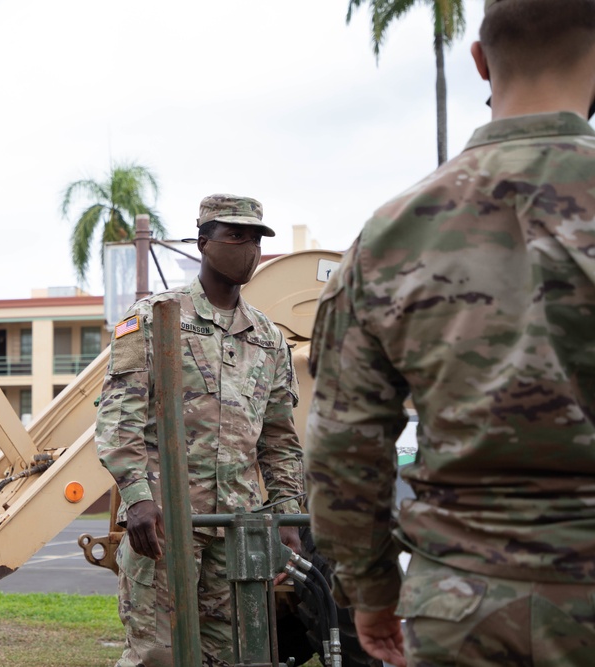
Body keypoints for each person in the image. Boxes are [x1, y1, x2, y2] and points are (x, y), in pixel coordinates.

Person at [305, 1, 595, 665]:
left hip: (461, 610)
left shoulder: (392, 233)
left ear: (481, 61)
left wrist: (372, 589)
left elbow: (342, 444)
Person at [96, 194, 304, 667]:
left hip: (239, 526)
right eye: (235, 236)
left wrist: (287, 515)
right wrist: (137, 497)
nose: (247, 248)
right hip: (168, 523)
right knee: (159, 656)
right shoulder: (154, 318)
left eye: (255, 239)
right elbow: (118, 416)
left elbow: (278, 439)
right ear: (204, 242)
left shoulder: (269, 338)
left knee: (234, 654)